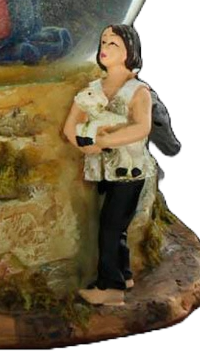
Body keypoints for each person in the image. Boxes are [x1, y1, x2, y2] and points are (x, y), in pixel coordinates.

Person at [61, 25, 155, 305]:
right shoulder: (92, 90)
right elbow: (70, 127)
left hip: (129, 171)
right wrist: (85, 145)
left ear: (129, 51)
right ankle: (124, 274)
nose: (104, 47)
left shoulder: (137, 91)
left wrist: (106, 140)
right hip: (104, 170)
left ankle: (110, 288)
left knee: (111, 227)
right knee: (116, 225)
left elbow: (142, 128)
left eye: (113, 43)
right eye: (103, 41)